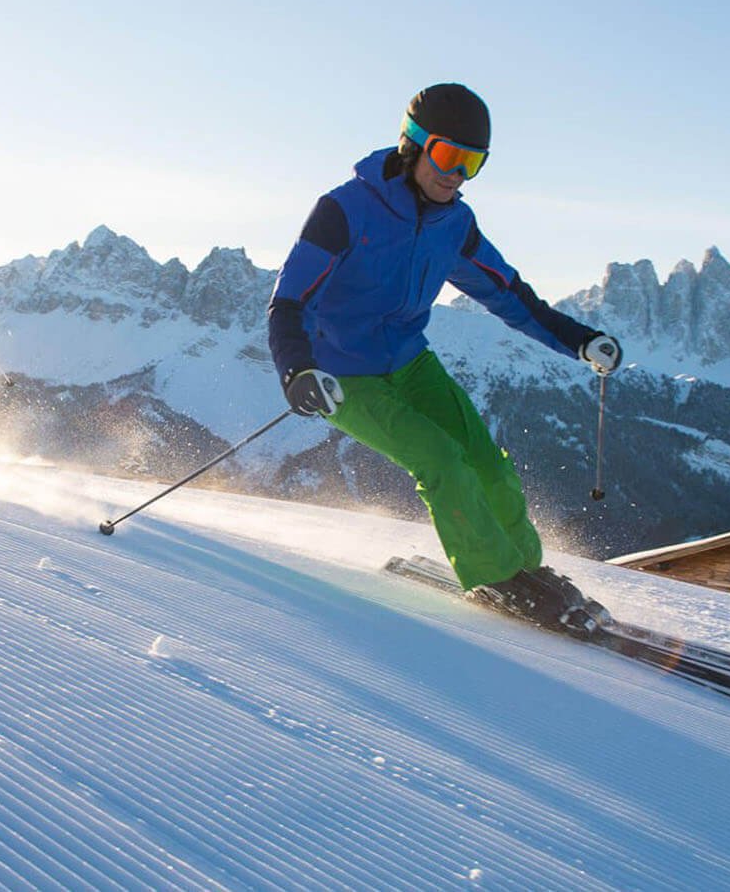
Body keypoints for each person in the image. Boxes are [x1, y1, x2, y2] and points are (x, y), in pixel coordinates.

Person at [266, 84, 624, 632]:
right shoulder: (344, 210)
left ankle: (528, 570)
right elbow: (290, 299)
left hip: (411, 362)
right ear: (413, 145)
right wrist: (297, 368)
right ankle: (495, 578)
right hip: (342, 374)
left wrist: (577, 339)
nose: (456, 174)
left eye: (472, 163)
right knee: (441, 461)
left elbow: (509, 293)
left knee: (486, 462)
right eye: (447, 156)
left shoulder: (454, 223)